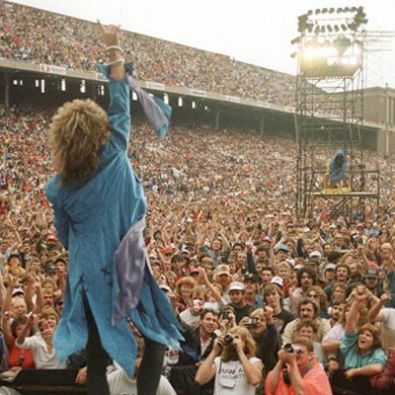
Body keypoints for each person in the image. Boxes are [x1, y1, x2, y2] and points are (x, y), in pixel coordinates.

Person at [45, 23, 182, 395]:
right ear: (99, 131)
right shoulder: (115, 147)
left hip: (88, 270)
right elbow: (120, 95)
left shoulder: (58, 188)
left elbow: (63, 234)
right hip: (126, 258)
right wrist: (113, 46)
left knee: (95, 351)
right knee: (154, 335)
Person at [195, 325, 262, 395]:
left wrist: (240, 351)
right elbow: (199, 379)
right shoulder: (219, 361)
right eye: (231, 337)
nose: (233, 340)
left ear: (246, 343)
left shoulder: (253, 361)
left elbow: (255, 380)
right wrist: (214, 351)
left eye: (236, 337)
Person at [265, 337, 333, 395]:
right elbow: (270, 388)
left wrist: (293, 363)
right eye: (293, 351)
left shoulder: (318, 374)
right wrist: (281, 360)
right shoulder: (288, 369)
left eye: (299, 352)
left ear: (310, 355)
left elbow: (302, 392)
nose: (295, 355)